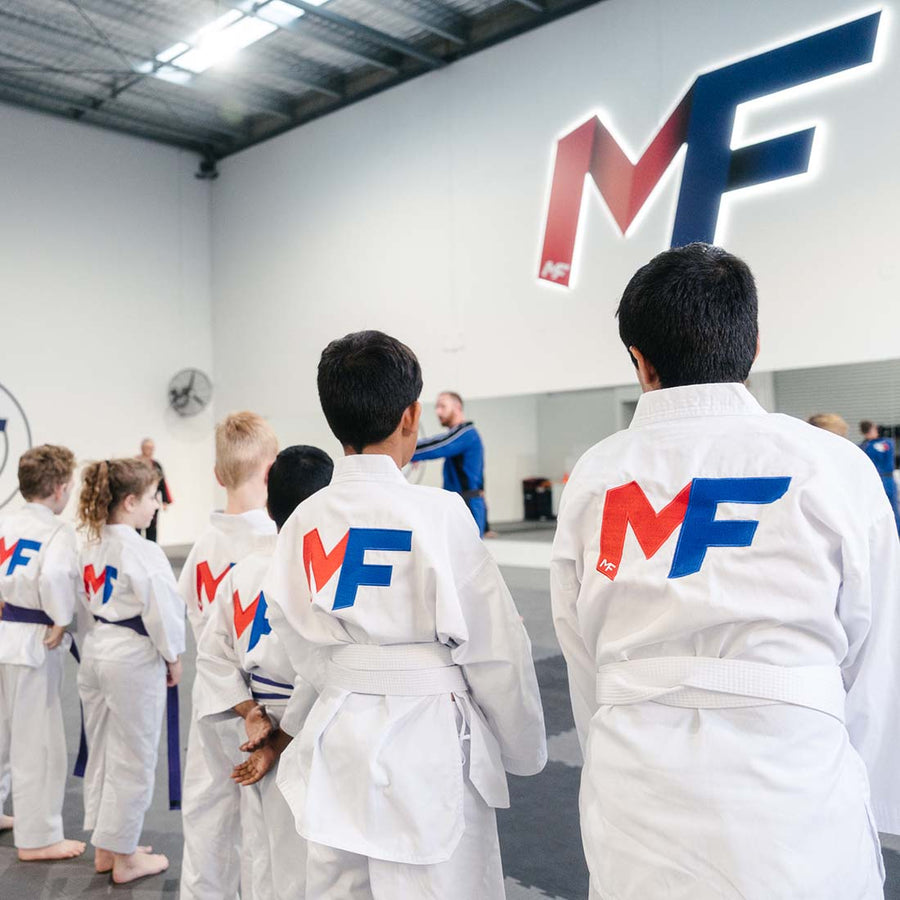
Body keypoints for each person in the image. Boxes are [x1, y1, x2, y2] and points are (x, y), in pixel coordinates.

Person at [551, 243, 900, 899]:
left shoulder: (599, 474)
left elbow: (580, 644)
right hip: (797, 784)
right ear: (755, 343)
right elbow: (877, 654)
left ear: (640, 361)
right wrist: (860, 783)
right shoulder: (835, 466)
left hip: (638, 779)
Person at [265, 330, 547, 900]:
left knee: (340, 882)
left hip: (337, 733)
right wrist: (522, 745)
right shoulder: (439, 513)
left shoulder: (303, 520)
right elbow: (495, 645)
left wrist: (348, 676)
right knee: (441, 882)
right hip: (429, 742)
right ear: (412, 416)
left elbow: (293, 634)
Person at [195, 445, 334, 900]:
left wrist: (250, 712)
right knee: (306, 858)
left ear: (269, 505)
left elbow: (213, 655)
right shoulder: (322, 575)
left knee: (261, 855)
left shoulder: (243, 572)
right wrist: (277, 739)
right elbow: (323, 669)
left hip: (256, 721)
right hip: (304, 725)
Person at [179, 411, 279, 900]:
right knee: (261, 828)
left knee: (206, 818)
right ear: (273, 468)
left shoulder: (202, 547)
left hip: (213, 700)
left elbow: (195, 615)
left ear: (218, 476)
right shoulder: (281, 543)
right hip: (262, 707)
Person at [77, 458, 185, 884]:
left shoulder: (90, 543)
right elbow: (163, 611)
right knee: (134, 755)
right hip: (132, 657)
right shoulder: (142, 550)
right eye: (153, 497)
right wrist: (173, 656)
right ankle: (125, 858)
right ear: (130, 501)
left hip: (97, 649)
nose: (158, 505)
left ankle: (108, 846)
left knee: (103, 751)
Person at [0, 445, 86, 861]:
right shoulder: (56, 531)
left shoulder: (3, 520)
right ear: (59, 488)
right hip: (33, 639)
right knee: (37, 742)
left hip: (2, 631)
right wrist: (61, 618)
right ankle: (38, 838)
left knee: (0, 735)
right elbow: (53, 574)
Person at [411, 391, 488, 536]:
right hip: (461, 502)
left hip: (467, 503)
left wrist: (407, 449)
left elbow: (439, 446)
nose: (437, 411)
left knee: (467, 556)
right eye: (436, 407)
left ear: (457, 407)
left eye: (442, 406)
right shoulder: (464, 434)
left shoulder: (467, 434)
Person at [860, 420, 900, 533]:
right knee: (893, 508)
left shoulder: (863, 447)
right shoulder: (888, 442)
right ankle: (896, 533)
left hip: (874, 480)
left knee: (876, 509)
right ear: (872, 429)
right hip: (888, 479)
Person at [137, 439, 171, 543]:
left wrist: (165, 501)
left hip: (152, 500)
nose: (150, 450)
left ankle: (151, 550)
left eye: (152, 448)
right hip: (137, 500)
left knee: (152, 527)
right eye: (148, 448)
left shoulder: (156, 465)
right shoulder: (135, 463)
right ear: (142, 448)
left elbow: (162, 483)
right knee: (136, 527)